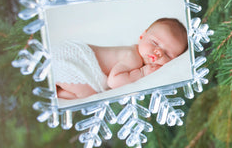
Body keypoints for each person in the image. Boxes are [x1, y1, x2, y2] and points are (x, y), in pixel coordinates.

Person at [52, 18, 188, 100]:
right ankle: (58, 92)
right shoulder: (132, 56)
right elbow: (113, 81)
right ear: (142, 36)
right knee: (88, 94)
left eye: (168, 54)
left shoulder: (134, 53)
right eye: (155, 43)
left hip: (71, 54)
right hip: (74, 60)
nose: (158, 52)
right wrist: (142, 73)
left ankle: (58, 86)